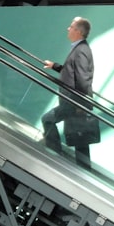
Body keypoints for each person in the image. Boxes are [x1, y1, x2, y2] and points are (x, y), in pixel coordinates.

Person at [41, 16, 98, 169]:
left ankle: (54, 155)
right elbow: (71, 71)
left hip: (74, 100)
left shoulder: (81, 51)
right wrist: (54, 66)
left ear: (78, 32)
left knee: (48, 119)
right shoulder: (80, 48)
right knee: (80, 139)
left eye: (71, 27)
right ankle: (84, 170)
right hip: (75, 100)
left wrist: (79, 104)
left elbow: (83, 79)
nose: (68, 29)